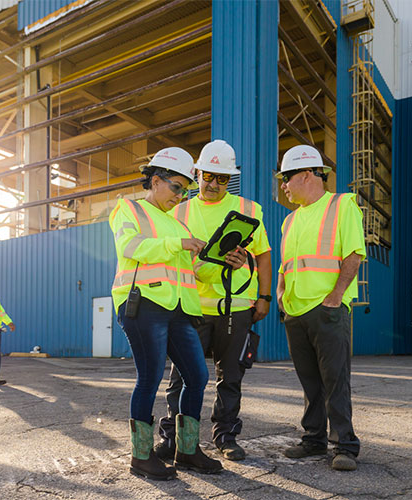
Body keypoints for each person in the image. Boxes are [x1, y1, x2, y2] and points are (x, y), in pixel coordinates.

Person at [109, 147, 223, 481]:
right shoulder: (129, 209)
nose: (180, 195)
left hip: (179, 310)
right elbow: (130, 247)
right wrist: (179, 245)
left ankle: (186, 450)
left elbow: (195, 271)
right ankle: (141, 456)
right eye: (176, 187)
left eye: (185, 190)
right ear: (155, 180)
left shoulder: (175, 224)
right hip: (143, 305)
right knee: (150, 377)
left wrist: (223, 262)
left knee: (198, 376)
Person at [157, 140, 272, 461]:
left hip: (236, 308)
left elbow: (263, 256)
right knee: (180, 377)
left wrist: (263, 297)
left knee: (231, 377)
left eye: (222, 178)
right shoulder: (179, 210)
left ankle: (225, 435)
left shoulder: (249, 210)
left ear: (230, 179)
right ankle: (173, 436)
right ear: (198, 173)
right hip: (191, 307)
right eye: (209, 176)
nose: (214, 184)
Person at [275, 144, 366, 471]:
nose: (283, 186)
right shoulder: (289, 221)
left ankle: (344, 446)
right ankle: (313, 439)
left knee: (335, 379)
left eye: (286, 178)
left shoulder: (342, 206)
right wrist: (282, 294)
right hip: (296, 313)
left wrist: (336, 296)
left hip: (328, 309)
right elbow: (287, 264)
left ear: (305, 174)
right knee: (310, 381)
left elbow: (353, 254)